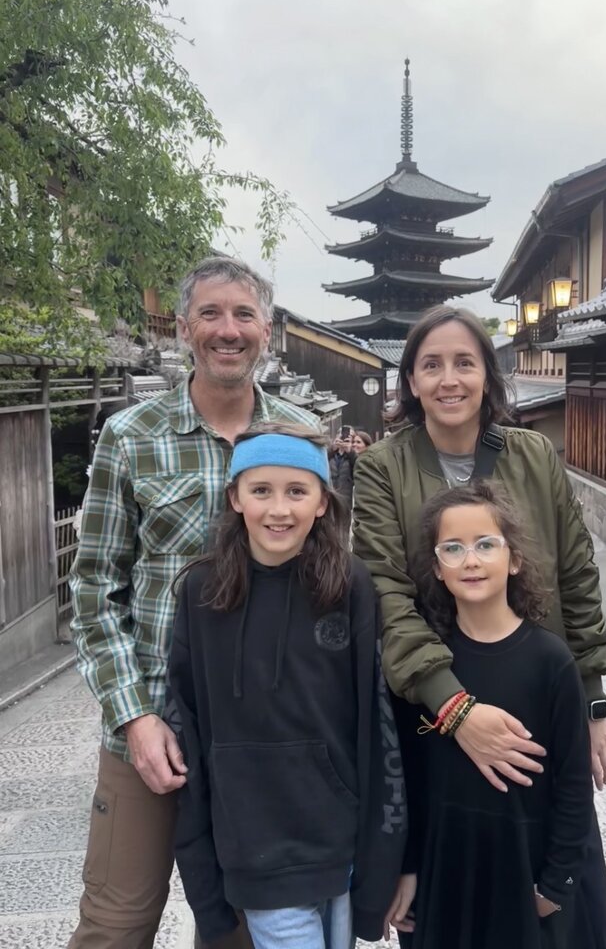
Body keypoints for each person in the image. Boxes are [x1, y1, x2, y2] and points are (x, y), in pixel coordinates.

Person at [69, 256, 317, 949]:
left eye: (243, 314)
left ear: (267, 329)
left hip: (261, 732)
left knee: (246, 930)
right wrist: (134, 716)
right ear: (183, 328)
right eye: (210, 314)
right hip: (150, 723)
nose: (227, 330)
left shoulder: (300, 436)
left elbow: (325, 586)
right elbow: (94, 589)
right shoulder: (130, 436)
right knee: (115, 927)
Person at [353, 304, 606, 946]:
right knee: (455, 889)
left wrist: (591, 703)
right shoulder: (384, 466)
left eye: (464, 363)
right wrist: (455, 709)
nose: (449, 379)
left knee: (559, 890)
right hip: (435, 700)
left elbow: (576, 573)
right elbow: (386, 594)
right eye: (431, 365)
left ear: (488, 374)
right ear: (410, 381)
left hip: (535, 687)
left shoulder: (531, 454)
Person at [167, 424, 406, 949]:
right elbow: (186, 724)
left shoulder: (348, 584)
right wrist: (202, 876)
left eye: (297, 491)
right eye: (261, 491)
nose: (279, 509)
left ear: (322, 502)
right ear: (235, 498)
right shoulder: (202, 591)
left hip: (336, 834)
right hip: (252, 841)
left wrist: (385, 856)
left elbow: (378, 726)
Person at [387, 481, 594, 949]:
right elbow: (408, 779)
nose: (471, 560)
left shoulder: (550, 661)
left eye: (485, 544)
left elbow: (574, 784)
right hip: (443, 872)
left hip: (523, 871)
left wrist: (557, 884)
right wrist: (407, 867)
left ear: (514, 558)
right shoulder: (427, 669)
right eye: (453, 548)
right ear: (436, 568)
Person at [328, 430, 356, 508]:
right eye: (340, 434)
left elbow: (358, 467)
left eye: (348, 436)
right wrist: (332, 449)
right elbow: (321, 462)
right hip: (329, 496)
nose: (343, 437)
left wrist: (350, 452)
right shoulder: (331, 453)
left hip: (346, 499)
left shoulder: (353, 454)